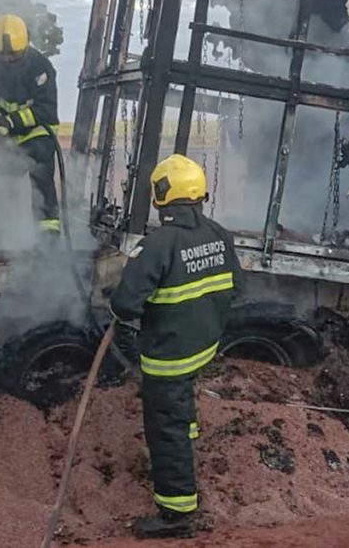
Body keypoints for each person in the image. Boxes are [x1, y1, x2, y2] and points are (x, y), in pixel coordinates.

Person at [109, 154, 240, 539]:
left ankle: (176, 513)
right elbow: (236, 287)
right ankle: (187, 429)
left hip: (170, 356)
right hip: (204, 343)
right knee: (179, 411)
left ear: (162, 195)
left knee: (165, 428)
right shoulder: (219, 234)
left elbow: (124, 305)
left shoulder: (157, 244)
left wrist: (123, 293)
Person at [0, 14, 61, 239]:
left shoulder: (40, 68)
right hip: (10, 141)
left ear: (25, 45)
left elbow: (45, 110)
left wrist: (10, 121)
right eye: (3, 55)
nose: (8, 60)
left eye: (14, 55)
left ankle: (48, 241)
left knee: (42, 189)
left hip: (39, 136)